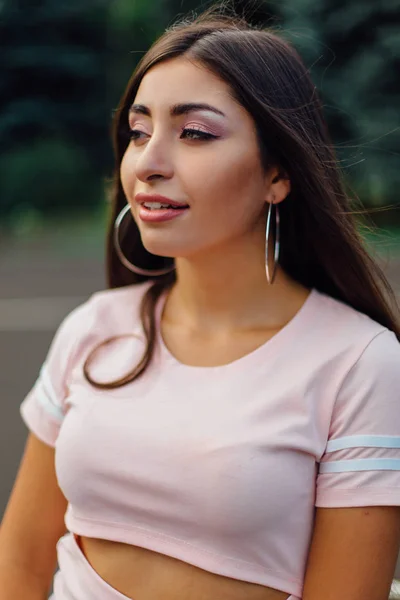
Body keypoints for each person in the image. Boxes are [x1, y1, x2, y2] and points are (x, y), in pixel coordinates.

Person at [1, 5, 400, 600]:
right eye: (139, 132)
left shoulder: (359, 363)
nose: (149, 163)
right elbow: (22, 564)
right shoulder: (94, 329)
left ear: (277, 174)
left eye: (194, 133)